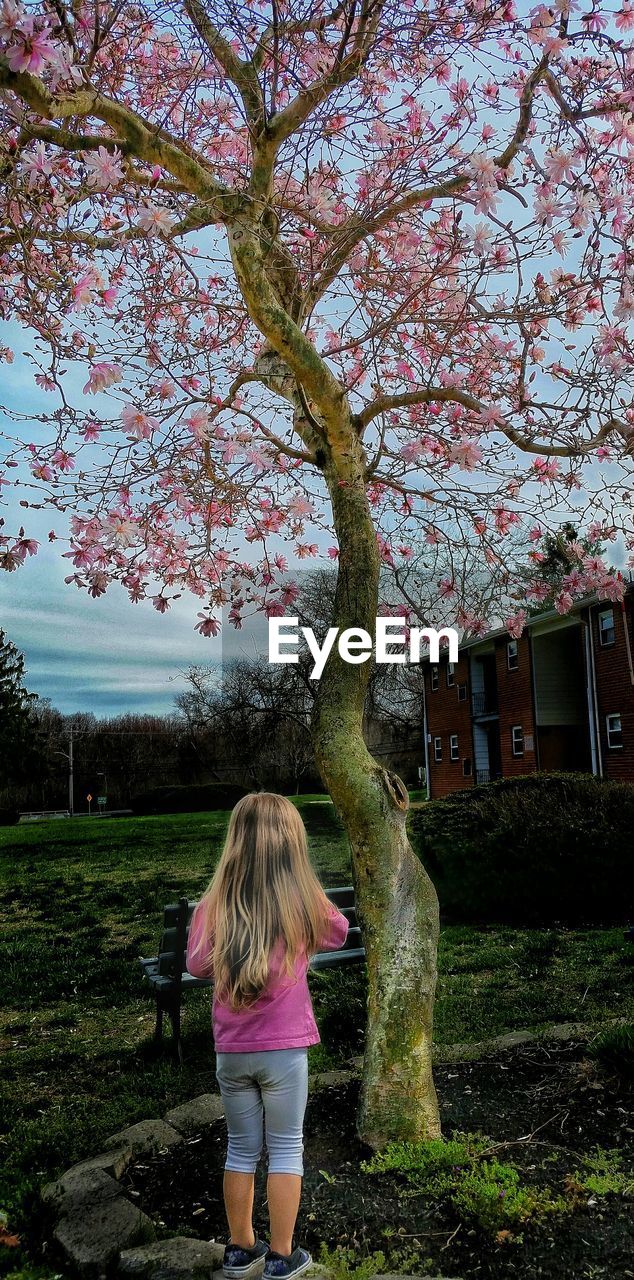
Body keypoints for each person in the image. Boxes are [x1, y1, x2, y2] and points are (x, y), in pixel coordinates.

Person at [186, 791, 350, 1280]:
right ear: (292, 846)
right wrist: (305, 885)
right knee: (285, 1148)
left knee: (240, 1149)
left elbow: (196, 964)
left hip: (232, 1053)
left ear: (235, 843)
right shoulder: (299, 904)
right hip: (284, 1053)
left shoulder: (215, 904)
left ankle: (240, 1250)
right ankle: (281, 1256)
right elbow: (338, 930)